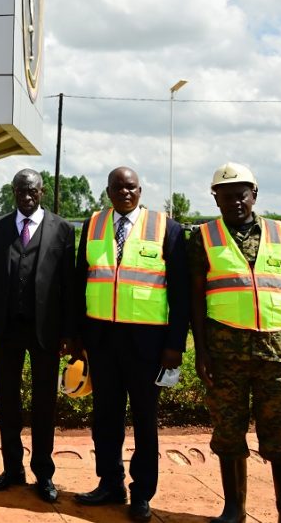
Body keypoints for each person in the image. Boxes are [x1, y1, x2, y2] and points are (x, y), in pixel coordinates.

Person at [190, 163, 281, 523]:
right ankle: (234, 509)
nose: (236, 202)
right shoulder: (203, 237)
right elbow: (196, 300)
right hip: (224, 356)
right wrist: (201, 352)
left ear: (255, 195)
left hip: (276, 355)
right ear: (215, 198)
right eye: (227, 195)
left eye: (242, 194)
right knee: (229, 433)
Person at [70, 167, 189, 521]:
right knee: (105, 417)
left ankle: (142, 493)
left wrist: (175, 345)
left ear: (141, 190)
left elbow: (180, 294)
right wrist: (77, 336)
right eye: (118, 187)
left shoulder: (166, 227)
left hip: (148, 343)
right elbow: (80, 282)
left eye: (131, 187)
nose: (125, 192)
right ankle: (110, 483)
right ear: (108, 191)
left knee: (144, 419)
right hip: (102, 339)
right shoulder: (93, 225)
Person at [0, 169, 76, 503]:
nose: (26, 196)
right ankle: (12, 468)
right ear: (13, 192)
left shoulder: (61, 229)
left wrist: (70, 333)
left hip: (45, 330)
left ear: (41, 191)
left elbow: (69, 287)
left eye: (32, 191)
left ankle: (43, 474)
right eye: (20, 191)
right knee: (7, 401)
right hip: (7, 329)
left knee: (44, 403)